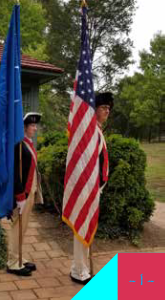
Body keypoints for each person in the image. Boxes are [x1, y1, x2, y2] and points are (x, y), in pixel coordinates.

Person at [71, 93, 112, 285]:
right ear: (94, 109)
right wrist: (91, 186)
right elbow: (86, 163)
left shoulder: (97, 130)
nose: (107, 111)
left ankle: (81, 268)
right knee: (83, 228)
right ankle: (80, 271)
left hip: (95, 188)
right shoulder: (90, 132)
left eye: (108, 108)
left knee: (87, 229)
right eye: (104, 107)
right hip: (88, 189)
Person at [4, 112, 43, 276]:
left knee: (23, 227)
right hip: (22, 194)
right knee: (17, 227)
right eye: (32, 125)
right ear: (24, 127)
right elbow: (15, 173)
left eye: (35, 125)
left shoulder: (28, 143)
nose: (35, 128)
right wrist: (19, 195)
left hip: (31, 191)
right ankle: (13, 262)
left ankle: (19, 256)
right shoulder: (18, 145)